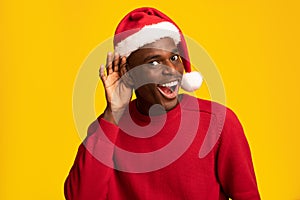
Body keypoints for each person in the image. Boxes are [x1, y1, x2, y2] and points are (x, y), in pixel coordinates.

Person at [64, 7, 261, 200]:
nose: (171, 69)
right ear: (128, 73)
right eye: (154, 62)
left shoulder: (218, 122)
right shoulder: (107, 130)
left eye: (174, 58)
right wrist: (113, 113)